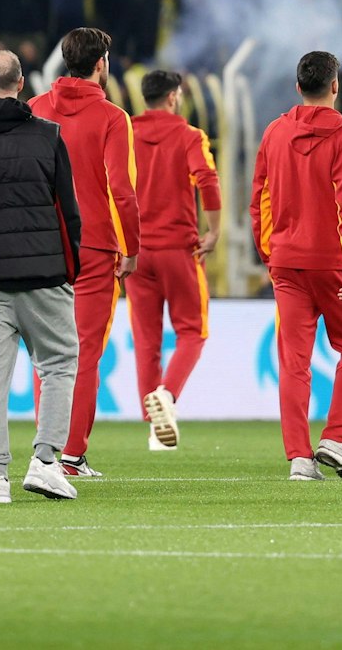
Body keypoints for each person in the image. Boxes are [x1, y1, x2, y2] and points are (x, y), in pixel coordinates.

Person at [0, 49, 83, 504]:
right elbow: (70, 213)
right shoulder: (49, 136)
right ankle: (45, 462)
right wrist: (70, 269)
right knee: (60, 365)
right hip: (45, 274)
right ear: (21, 83)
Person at [252, 50, 342, 482]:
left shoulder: (275, 132)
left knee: (294, 361)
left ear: (298, 87)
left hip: (286, 262)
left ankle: (300, 459)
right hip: (335, 263)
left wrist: (272, 255)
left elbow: (259, 199)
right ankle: (336, 437)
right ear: (335, 86)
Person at [28, 27, 138, 477]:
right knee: (84, 352)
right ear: (101, 64)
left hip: (42, 244)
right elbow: (122, 190)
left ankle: (46, 450)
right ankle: (70, 454)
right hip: (94, 246)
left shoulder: (33, 110)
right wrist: (130, 247)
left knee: (45, 353)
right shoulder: (113, 117)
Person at [127, 68, 221, 451]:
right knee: (192, 332)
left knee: (147, 341)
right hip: (179, 249)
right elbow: (208, 180)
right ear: (173, 96)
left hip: (136, 253)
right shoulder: (189, 136)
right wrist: (213, 231)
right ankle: (167, 396)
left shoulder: (125, 132)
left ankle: (155, 429)